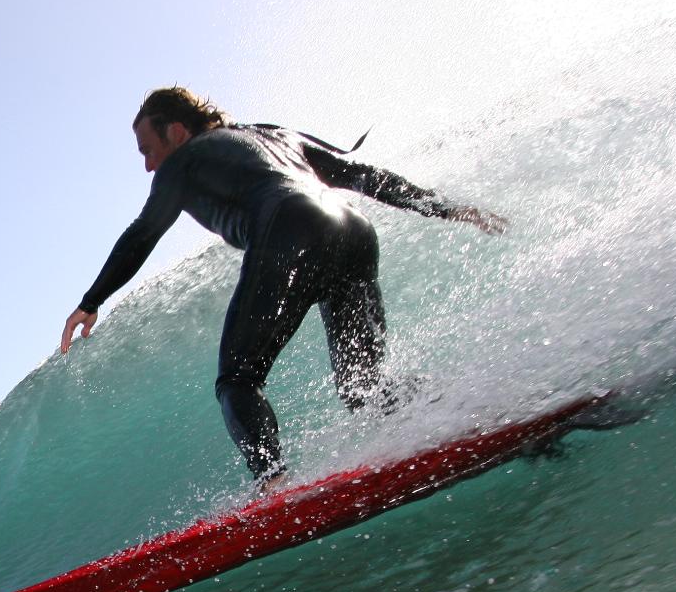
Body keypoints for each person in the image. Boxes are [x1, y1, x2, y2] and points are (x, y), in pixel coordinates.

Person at [60, 86, 506, 487]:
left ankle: (275, 487)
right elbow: (360, 174)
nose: (148, 165)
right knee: (362, 390)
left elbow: (143, 232)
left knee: (237, 381)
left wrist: (91, 300)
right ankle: (465, 410)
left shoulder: (183, 161)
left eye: (148, 149)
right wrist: (447, 209)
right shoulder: (273, 135)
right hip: (351, 229)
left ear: (176, 132)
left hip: (289, 226)